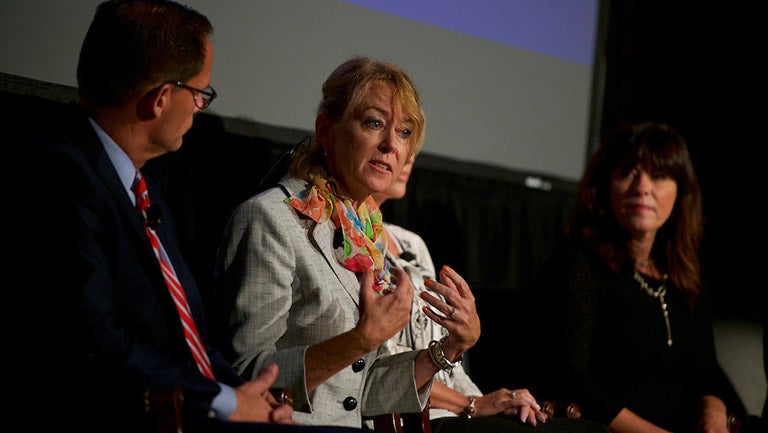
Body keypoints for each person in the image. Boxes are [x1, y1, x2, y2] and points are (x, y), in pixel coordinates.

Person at [13, 2, 366, 432]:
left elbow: (188, 340)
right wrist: (220, 401)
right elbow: (96, 339)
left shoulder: (141, 189)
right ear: (161, 98)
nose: (201, 106)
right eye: (201, 93)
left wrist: (243, 394)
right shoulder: (60, 176)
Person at [213, 56, 483, 429]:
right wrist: (362, 338)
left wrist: (450, 348)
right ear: (326, 130)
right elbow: (245, 374)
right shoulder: (270, 219)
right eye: (374, 123)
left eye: (404, 132)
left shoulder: (366, 235)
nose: (391, 145)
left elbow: (362, 389)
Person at [372, 157, 611, 433]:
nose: (405, 155)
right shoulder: (350, 242)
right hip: (412, 416)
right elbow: (380, 368)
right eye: (376, 125)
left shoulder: (411, 243)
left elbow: (450, 366)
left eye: (407, 138)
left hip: (453, 411)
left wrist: (493, 400)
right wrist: (471, 404)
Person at [531, 121, 742, 433]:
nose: (642, 187)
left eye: (658, 176)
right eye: (627, 173)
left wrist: (714, 415)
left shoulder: (685, 274)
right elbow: (573, 381)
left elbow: (707, 370)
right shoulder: (577, 264)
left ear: (680, 191)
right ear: (604, 187)